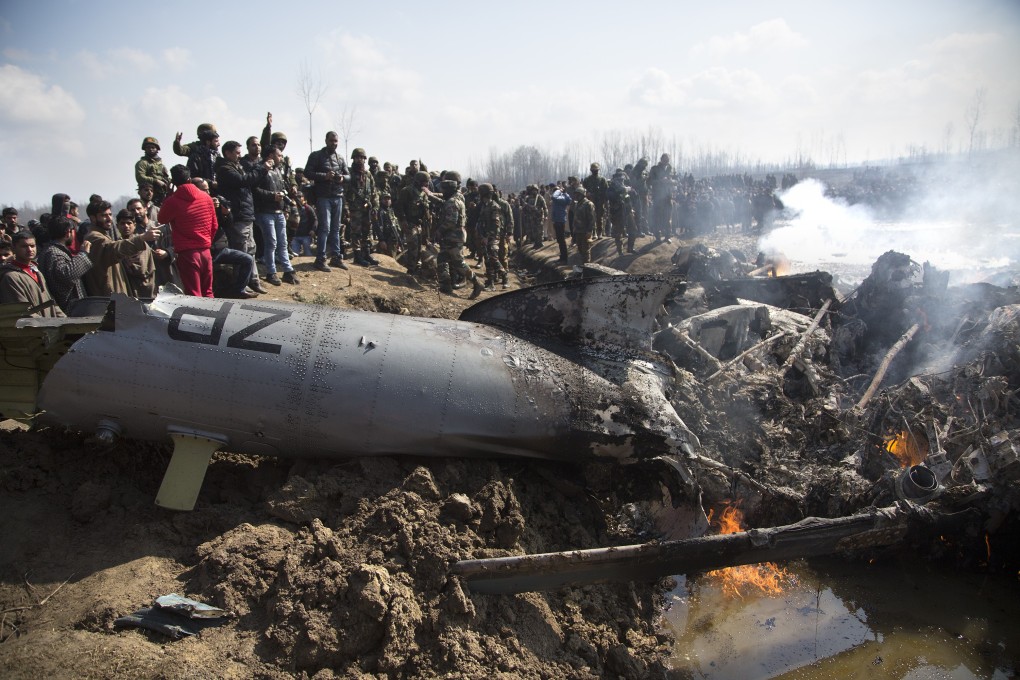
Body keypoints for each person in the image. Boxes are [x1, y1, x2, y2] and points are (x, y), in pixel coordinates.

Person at [216, 139, 270, 293]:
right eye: (237, 153)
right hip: (238, 216)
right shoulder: (225, 169)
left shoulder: (237, 166)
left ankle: (253, 281)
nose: (240, 156)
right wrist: (261, 169)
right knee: (241, 251)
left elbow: (250, 182)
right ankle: (241, 284)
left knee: (251, 249)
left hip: (246, 214)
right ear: (227, 153)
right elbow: (243, 181)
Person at [158, 165, 217, 297]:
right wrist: (206, 241)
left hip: (187, 254)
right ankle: (212, 317)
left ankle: (197, 318)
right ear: (189, 179)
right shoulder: (206, 197)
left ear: (173, 182)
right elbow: (214, 225)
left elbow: (161, 218)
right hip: (205, 250)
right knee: (208, 291)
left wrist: (168, 194)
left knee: (193, 293)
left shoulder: (172, 201)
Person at [84, 200, 159, 296]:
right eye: (104, 215)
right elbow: (114, 248)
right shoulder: (94, 238)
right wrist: (142, 238)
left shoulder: (103, 236)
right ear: (93, 218)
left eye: (110, 215)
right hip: (108, 298)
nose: (109, 218)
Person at [304, 131, 349, 271]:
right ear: (326, 141)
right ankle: (320, 258)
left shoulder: (340, 158)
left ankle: (336, 257)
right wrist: (325, 176)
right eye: (331, 141)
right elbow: (307, 172)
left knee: (336, 228)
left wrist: (342, 178)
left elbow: (348, 176)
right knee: (325, 228)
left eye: (336, 141)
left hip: (338, 196)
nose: (334, 144)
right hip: (323, 197)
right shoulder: (316, 156)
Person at [435, 172, 484, 299]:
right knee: (442, 259)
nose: (442, 192)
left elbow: (451, 222)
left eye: (444, 190)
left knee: (459, 263)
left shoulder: (452, 202)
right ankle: (445, 284)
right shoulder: (457, 198)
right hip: (452, 236)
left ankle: (477, 282)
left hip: (453, 236)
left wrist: (440, 230)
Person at [253, 148, 298, 286]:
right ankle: (271, 272)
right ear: (271, 155)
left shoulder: (278, 170)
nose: (282, 158)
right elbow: (255, 189)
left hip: (279, 212)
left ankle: (287, 270)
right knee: (271, 243)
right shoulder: (260, 169)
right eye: (279, 155)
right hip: (265, 212)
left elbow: (282, 187)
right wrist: (272, 196)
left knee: (283, 243)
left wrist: (286, 203)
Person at [0, 231, 65, 316]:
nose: (30, 250)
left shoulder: (36, 271)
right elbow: (22, 311)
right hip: (34, 327)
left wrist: (64, 320)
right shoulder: (11, 277)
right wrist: (46, 325)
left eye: (32, 246)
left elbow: (50, 301)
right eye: (24, 246)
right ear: (14, 249)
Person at [36, 216, 92, 313]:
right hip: (67, 308)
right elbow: (67, 275)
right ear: (68, 232)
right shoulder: (54, 253)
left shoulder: (52, 250)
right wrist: (83, 254)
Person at [344, 148, 379, 266]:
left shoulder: (368, 175)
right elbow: (344, 192)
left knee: (367, 231)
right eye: (357, 157)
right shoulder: (349, 173)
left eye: (361, 158)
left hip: (366, 207)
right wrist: (346, 208)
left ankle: (366, 253)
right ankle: (357, 256)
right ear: (353, 159)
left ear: (365, 159)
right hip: (354, 208)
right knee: (356, 232)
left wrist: (375, 206)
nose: (359, 160)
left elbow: (374, 192)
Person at [114, 208, 157, 298]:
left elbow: (142, 270)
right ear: (117, 226)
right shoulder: (116, 245)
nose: (126, 226)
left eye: (129, 223)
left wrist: (125, 263)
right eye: (122, 223)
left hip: (142, 291)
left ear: (134, 225)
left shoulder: (140, 244)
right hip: (125, 290)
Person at [476, 183, 505, 289]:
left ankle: (504, 276)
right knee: (487, 259)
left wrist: (487, 237)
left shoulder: (494, 206)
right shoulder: (485, 205)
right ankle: (490, 282)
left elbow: (495, 225)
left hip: (492, 237)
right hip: (485, 236)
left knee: (493, 258)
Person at [134, 137, 172, 205]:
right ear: (145, 149)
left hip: (162, 194)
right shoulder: (142, 163)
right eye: (148, 147)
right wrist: (156, 181)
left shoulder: (161, 165)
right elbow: (140, 177)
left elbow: (166, 178)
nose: (150, 149)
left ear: (157, 149)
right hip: (148, 195)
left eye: (153, 147)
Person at [582, 163, 609, 239]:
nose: (595, 171)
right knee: (591, 217)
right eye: (594, 170)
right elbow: (583, 190)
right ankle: (593, 233)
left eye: (596, 170)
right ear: (591, 170)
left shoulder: (602, 179)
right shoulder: (587, 180)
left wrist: (606, 201)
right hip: (590, 201)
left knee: (599, 217)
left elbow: (606, 190)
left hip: (600, 201)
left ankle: (599, 232)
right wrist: (587, 193)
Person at [571, 186, 596, 264]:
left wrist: (589, 231)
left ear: (582, 195)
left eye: (577, 194)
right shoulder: (577, 204)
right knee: (581, 250)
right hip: (578, 230)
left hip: (585, 231)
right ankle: (583, 266)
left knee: (586, 250)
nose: (576, 196)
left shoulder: (588, 204)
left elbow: (592, 218)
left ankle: (587, 267)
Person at [550, 183, 573, 264]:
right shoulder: (564, 197)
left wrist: (559, 190)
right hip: (559, 220)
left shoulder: (560, 198)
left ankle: (564, 258)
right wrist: (563, 192)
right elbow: (569, 199)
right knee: (560, 240)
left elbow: (554, 196)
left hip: (559, 221)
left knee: (561, 240)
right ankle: (563, 257)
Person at [521, 184, 547, 249]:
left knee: (540, 230)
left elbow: (545, 207)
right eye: (533, 190)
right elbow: (524, 207)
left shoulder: (540, 198)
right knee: (534, 230)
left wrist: (546, 215)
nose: (534, 192)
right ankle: (536, 243)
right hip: (531, 217)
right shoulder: (528, 198)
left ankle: (540, 242)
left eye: (535, 190)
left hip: (539, 216)